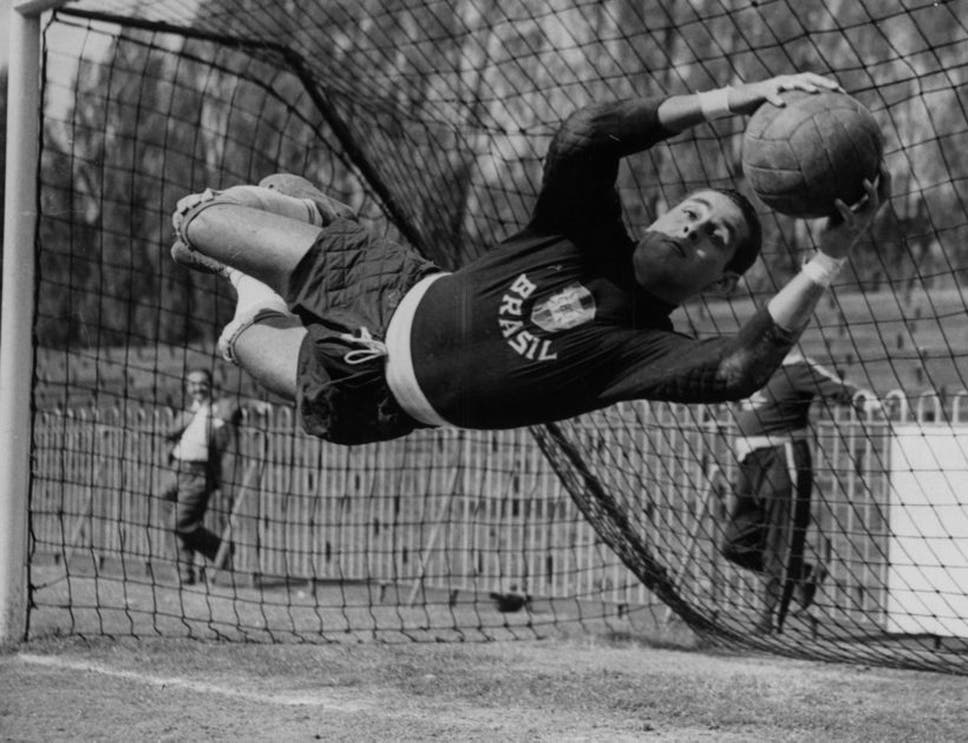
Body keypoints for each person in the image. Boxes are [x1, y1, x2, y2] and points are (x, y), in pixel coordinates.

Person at [168, 72, 889, 446]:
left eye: (717, 236)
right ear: (665, 211)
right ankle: (316, 225)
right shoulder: (584, 230)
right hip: (387, 284)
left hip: (376, 394)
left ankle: (264, 274)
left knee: (241, 337)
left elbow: (738, 369)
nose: (695, 226)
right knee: (197, 220)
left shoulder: (645, 347)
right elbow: (584, 135)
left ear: (726, 276)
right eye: (693, 210)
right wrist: (738, 99)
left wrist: (827, 259)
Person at [719, 351, 881, 633]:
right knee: (735, 544)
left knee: (781, 542)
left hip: (784, 458)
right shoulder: (750, 367)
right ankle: (801, 575)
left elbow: (836, 388)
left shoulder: (798, 368)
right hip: (749, 462)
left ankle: (770, 622)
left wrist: (862, 398)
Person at [161, 368, 241, 585]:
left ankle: (221, 551)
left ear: (211, 385)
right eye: (193, 384)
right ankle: (185, 573)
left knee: (181, 522)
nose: (198, 388)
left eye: (202, 383)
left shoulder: (220, 409)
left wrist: (255, 405)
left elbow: (236, 407)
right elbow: (169, 434)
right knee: (170, 520)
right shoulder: (187, 412)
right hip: (176, 470)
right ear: (187, 388)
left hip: (199, 473)